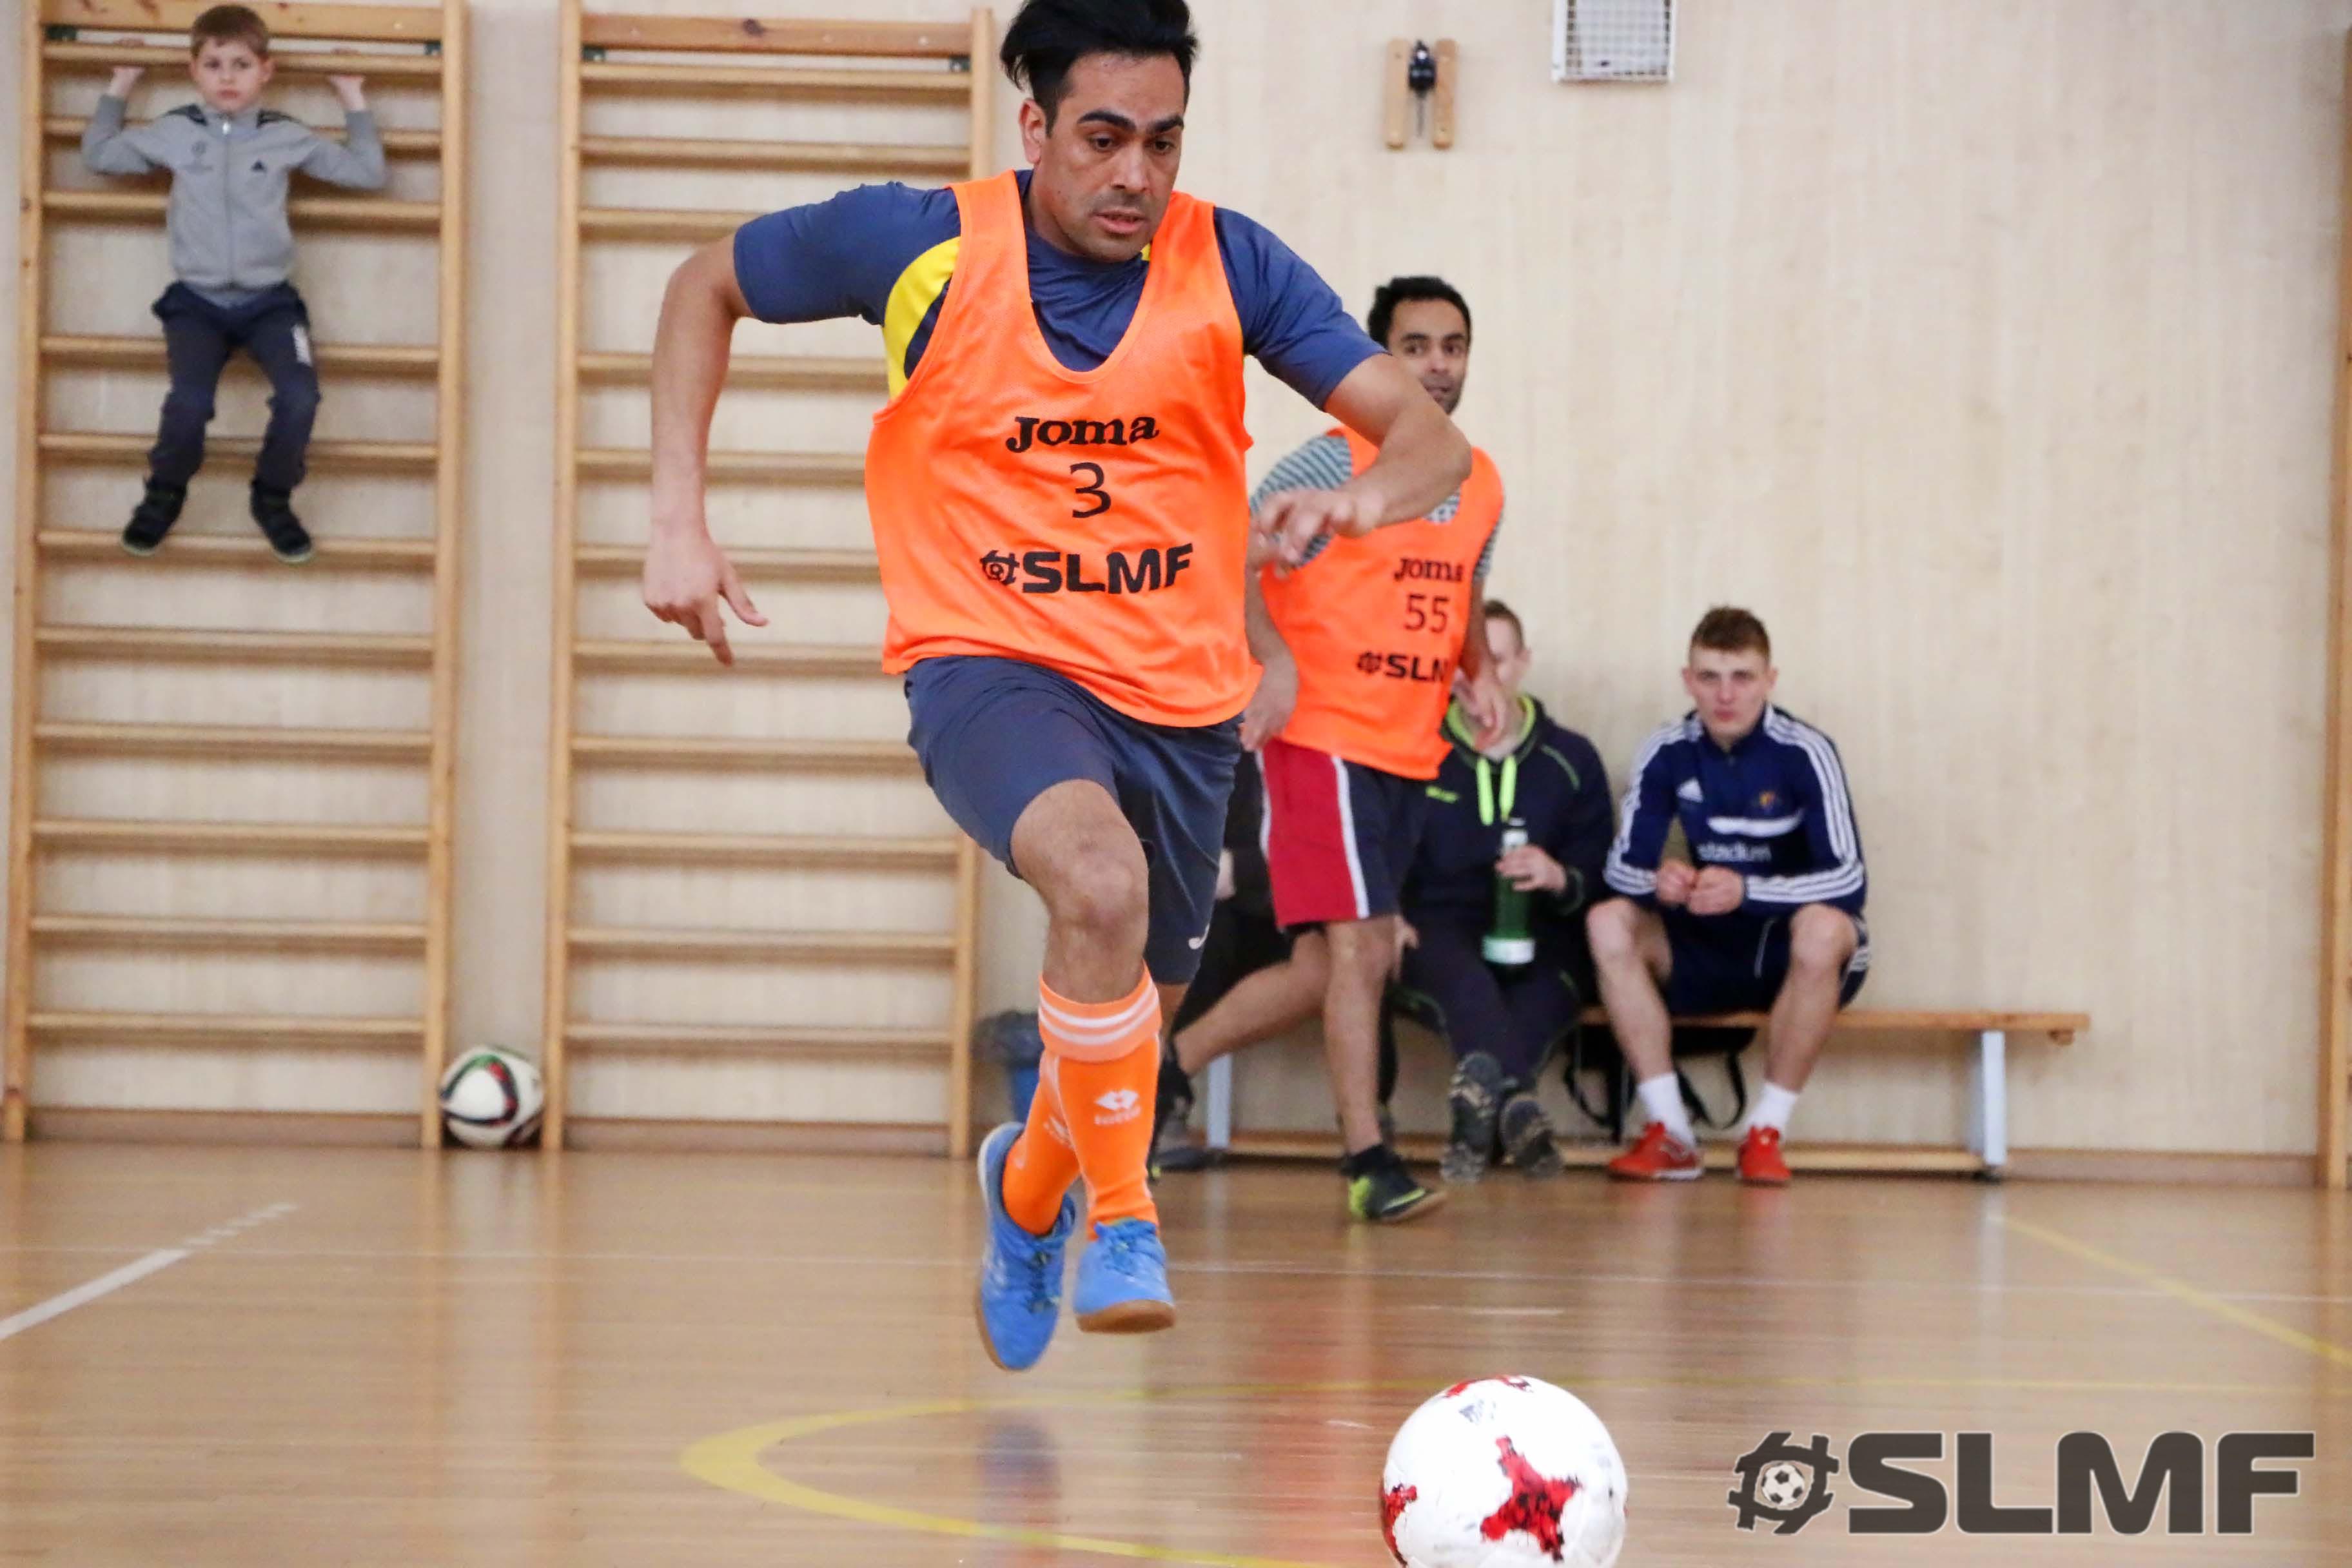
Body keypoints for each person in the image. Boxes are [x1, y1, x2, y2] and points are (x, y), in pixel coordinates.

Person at [639, 0, 1473, 1370]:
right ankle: (1124, 1218)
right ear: (1033, 127)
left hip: (1183, 706)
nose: (1136, 174)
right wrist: (678, 515)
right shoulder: (918, 245)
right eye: (1102, 138)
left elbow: (1428, 440)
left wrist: (1362, 500)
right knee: (1095, 882)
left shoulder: (1232, 263)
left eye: (1163, 141)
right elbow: (699, 285)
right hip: (990, 664)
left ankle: (1028, 1193)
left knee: (1122, 1015)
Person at [1250, 274, 1509, 1224]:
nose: (1437, 365)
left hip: (1409, 746)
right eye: (1415, 347)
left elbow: (1464, 586)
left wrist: (1479, 669)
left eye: (1453, 346)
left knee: (1338, 964)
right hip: (1320, 736)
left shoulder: (1477, 480)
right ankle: (1369, 1158)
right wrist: (1272, 661)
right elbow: (1225, 560)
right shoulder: (1325, 465)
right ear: (1376, 363)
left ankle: (1168, 1069)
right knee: (1360, 949)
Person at [81, 3, 386, 564]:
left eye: (241, 65)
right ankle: (164, 492)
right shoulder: (176, 131)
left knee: (301, 397)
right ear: (194, 70)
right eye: (214, 64)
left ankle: (272, 497)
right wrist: (120, 84)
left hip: (271, 304)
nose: (227, 77)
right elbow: (99, 155)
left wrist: (352, 97)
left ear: (265, 71)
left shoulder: (283, 135)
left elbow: (368, 173)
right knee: (189, 403)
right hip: (195, 304)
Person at [1589, 607, 1870, 1185]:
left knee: (1825, 929)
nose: (1725, 695)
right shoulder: (1667, 748)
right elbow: (1621, 869)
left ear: (1770, 681)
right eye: (1709, 677)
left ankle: (1766, 1132)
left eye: (1742, 677)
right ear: (1687, 680)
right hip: (1704, 939)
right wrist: (1659, 882)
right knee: (1607, 921)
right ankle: (1671, 1132)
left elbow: (1849, 881)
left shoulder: (1805, 750)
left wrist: (1747, 890)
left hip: (1786, 949)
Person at [1396, 599, 1612, 1183]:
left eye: (1493, 660)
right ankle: (1517, 1107)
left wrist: (1559, 876)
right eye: (1463, 664)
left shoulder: (1572, 758)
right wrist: (1386, 911)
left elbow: (1603, 878)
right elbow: (1378, 847)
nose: (1477, 678)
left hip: (1544, 934)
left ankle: (1485, 1123)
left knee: (1539, 998)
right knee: (1467, 984)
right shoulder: (1414, 749)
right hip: (1439, 929)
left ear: (1522, 663)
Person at [1147, 750, 1330, 1172]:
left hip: (1311, 914)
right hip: (1231, 913)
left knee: (1345, 953)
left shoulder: (1325, 748)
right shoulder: (1210, 745)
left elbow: (1326, 854)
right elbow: (1189, 856)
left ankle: (1167, 1075)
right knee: (1192, 925)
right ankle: (1149, 1095)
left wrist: (1246, 869)